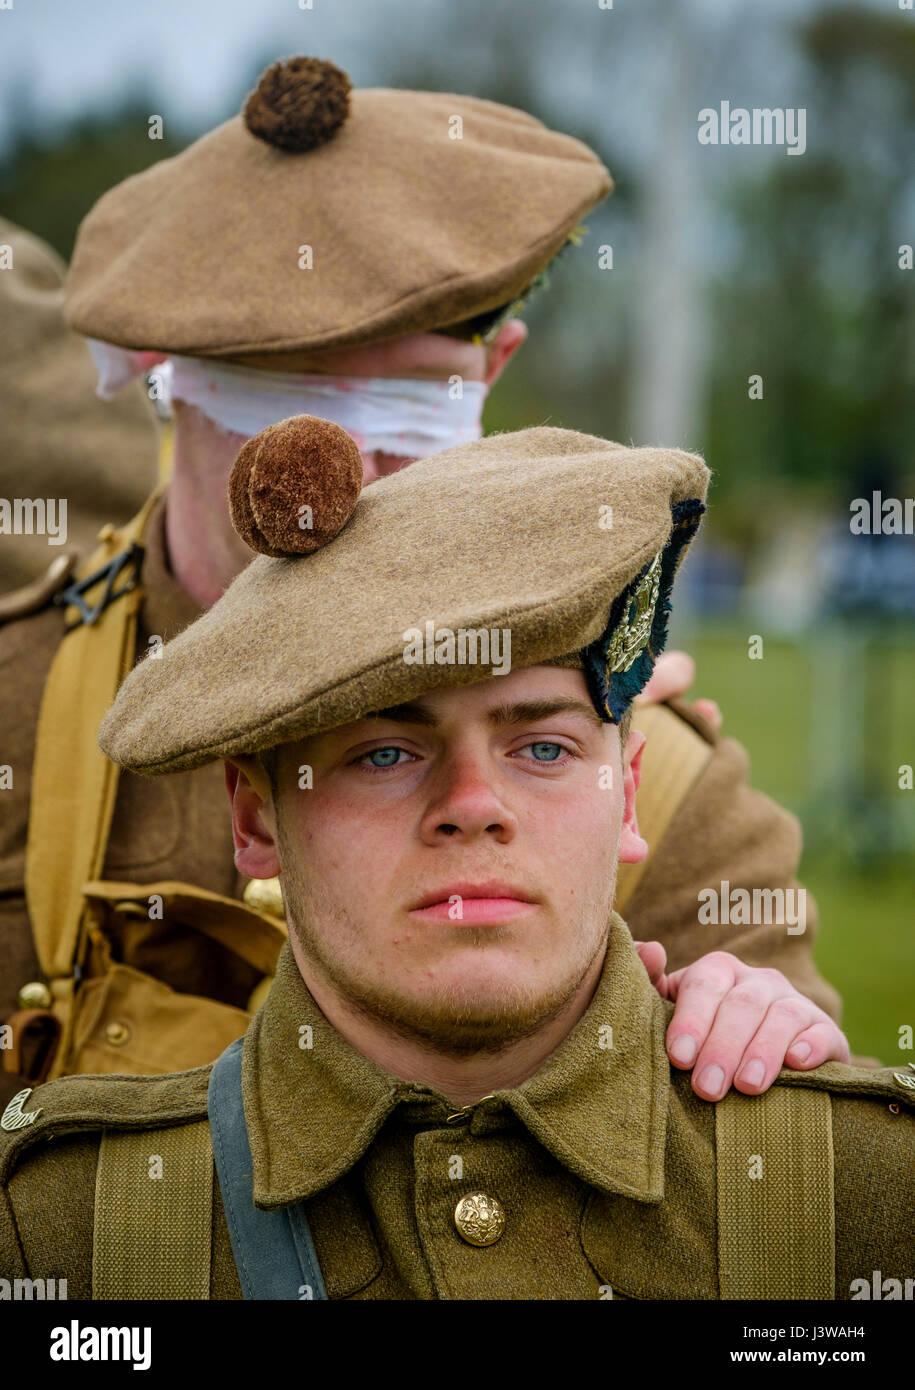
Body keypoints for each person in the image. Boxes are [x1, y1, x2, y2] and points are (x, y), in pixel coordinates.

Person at [0, 56, 848, 1100]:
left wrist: (755, 1026)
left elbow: (806, 1177)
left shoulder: (652, 773)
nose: (347, 470)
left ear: (493, 375)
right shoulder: (16, 707)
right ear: (162, 377)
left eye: (408, 410)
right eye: (283, 396)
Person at [0, 420, 908, 1301]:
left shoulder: (861, 1195)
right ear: (254, 819)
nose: (473, 807)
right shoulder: (60, 1232)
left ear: (627, 795)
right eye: (386, 755)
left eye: (542, 749)